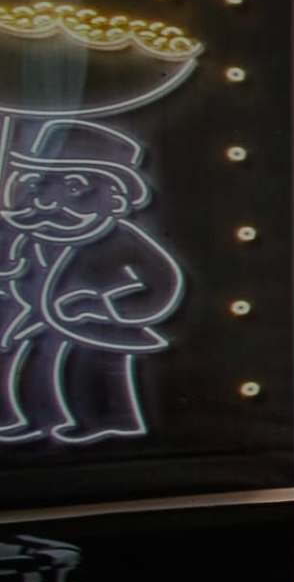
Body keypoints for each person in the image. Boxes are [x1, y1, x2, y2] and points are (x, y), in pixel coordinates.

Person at [0, 117, 184, 446]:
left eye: (71, 187)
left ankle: (106, 423)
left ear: (114, 194)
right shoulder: (34, 238)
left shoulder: (120, 239)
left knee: (91, 375)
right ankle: (38, 419)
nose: (45, 199)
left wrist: (105, 307)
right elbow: (22, 274)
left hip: (97, 328)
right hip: (43, 324)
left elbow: (162, 285)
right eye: (38, 184)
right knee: (34, 370)